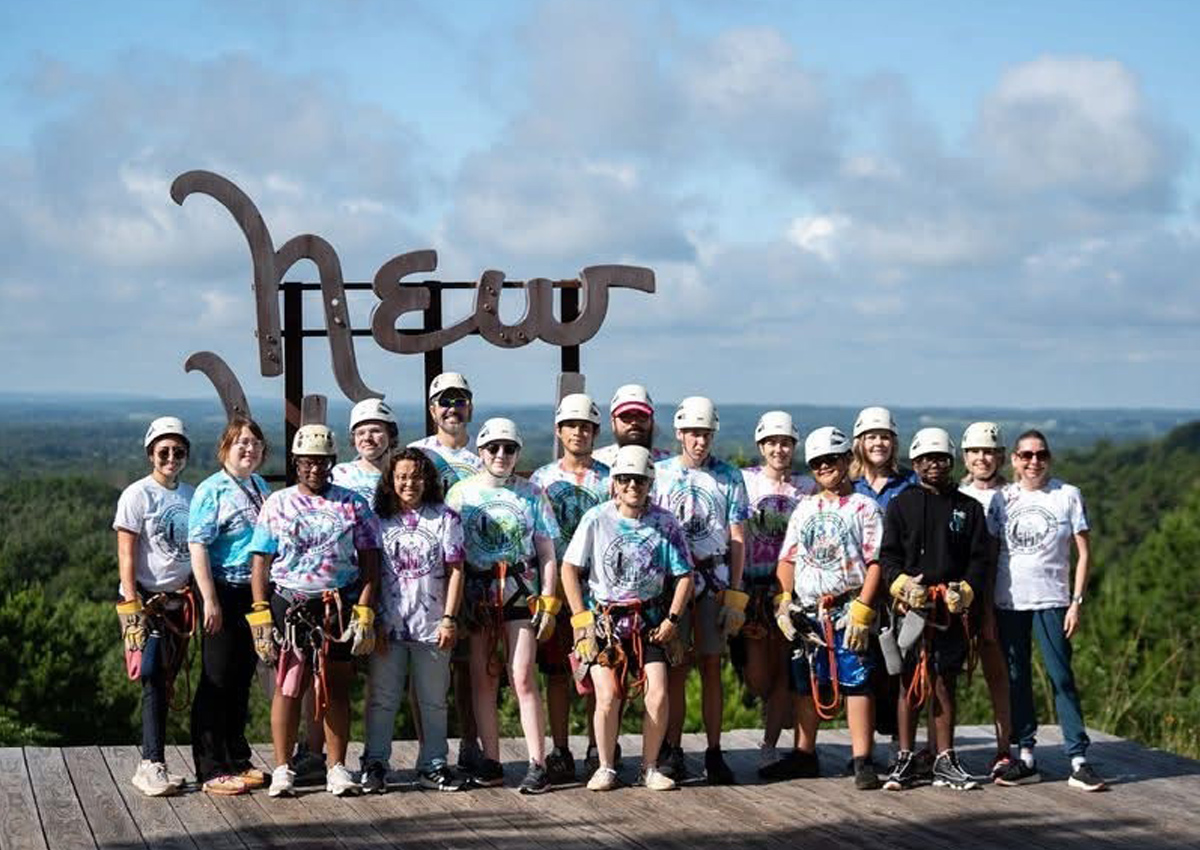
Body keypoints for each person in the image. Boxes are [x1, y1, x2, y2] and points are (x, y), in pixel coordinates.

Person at [247, 424, 381, 798]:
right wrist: (259, 611)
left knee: (335, 687)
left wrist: (364, 610)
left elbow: (371, 560)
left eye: (322, 462)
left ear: (333, 463)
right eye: (307, 462)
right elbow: (261, 560)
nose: (315, 469)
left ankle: (336, 767)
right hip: (290, 603)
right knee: (289, 687)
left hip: (336, 603)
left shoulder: (352, 503)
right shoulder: (278, 503)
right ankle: (282, 768)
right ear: (296, 463)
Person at [561, 445, 693, 792]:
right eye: (625, 479)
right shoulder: (596, 518)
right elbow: (569, 568)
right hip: (605, 621)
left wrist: (673, 619)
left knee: (659, 693)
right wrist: (580, 619)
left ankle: (649, 767)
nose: (632, 486)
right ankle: (605, 765)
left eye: (639, 480)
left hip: (648, 620)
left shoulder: (665, 523)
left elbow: (684, 575)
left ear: (649, 482)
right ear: (614, 483)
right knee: (607, 695)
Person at [444, 418, 560, 794]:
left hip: (519, 589)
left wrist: (549, 601)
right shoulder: (461, 494)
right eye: (493, 448)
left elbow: (546, 553)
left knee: (522, 676)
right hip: (478, 593)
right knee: (483, 677)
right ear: (480, 452)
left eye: (509, 449)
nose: (500, 455)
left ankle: (537, 762)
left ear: (517, 453)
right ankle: (491, 760)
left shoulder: (533, 494)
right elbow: (450, 553)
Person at [993, 430, 1106, 792]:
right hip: (1009, 601)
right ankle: (1026, 756)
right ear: (1014, 460)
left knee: (1061, 678)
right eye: (1025, 455)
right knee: (1017, 679)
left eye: (1040, 454)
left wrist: (1077, 602)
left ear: (1049, 458)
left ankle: (1078, 759)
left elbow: (1084, 553)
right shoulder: (1001, 499)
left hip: (1054, 600)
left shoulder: (1067, 495)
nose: (1033, 462)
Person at [773, 426, 884, 790]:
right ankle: (804, 753)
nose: (824, 468)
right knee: (805, 682)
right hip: (808, 610)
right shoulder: (805, 508)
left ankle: (861, 757)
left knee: (856, 681)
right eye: (818, 463)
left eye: (831, 461)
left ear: (847, 461)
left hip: (846, 606)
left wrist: (864, 606)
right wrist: (785, 600)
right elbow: (787, 559)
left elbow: (875, 562)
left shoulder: (865, 508)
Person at [879, 428, 989, 792]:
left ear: (951, 461)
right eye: (927, 459)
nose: (934, 465)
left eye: (941, 458)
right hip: (910, 607)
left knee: (943, 681)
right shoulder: (901, 504)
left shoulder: (968, 508)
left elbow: (979, 558)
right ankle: (906, 757)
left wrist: (967, 590)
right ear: (915, 464)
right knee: (909, 681)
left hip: (948, 608)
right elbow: (889, 556)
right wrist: (900, 584)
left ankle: (944, 758)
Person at [652, 396, 750, 784]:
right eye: (693, 433)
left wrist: (736, 593)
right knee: (675, 667)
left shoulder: (729, 477)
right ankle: (672, 748)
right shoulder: (659, 474)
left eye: (705, 434)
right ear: (680, 433)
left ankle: (713, 750)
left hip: (713, 580)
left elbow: (738, 536)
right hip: (672, 584)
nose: (699, 441)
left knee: (711, 666)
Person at [361, 449, 467, 793]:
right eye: (402, 476)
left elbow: (456, 571)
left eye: (417, 476)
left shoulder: (445, 518)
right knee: (382, 697)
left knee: (434, 699)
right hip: (387, 624)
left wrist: (450, 617)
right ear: (391, 481)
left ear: (428, 480)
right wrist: (372, 617)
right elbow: (370, 573)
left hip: (432, 624)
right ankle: (375, 762)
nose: (409, 483)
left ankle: (434, 763)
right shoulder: (377, 520)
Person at [187, 416, 272, 795]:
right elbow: (197, 545)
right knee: (216, 679)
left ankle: (237, 755)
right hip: (221, 589)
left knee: (241, 676)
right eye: (240, 442)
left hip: (252, 593)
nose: (248, 448)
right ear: (225, 448)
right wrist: (208, 599)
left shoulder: (260, 485)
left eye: (254, 442)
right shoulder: (212, 490)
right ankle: (210, 766)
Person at [529, 393, 611, 784]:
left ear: (596, 431)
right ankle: (560, 748)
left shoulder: (610, 477)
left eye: (585, 426)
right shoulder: (541, 479)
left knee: (600, 669)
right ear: (559, 431)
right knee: (556, 672)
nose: (578, 432)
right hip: (557, 589)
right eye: (571, 425)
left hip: (600, 587)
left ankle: (599, 746)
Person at [114, 416, 195, 797]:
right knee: (151, 679)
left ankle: (154, 760)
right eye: (164, 451)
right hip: (147, 603)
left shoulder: (192, 495)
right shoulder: (137, 495)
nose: (171, 457)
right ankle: (151, 763)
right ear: (151, 454)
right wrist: (132, 606)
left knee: (164, 681)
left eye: (178, 451)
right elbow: (126, 553)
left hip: (180, 602)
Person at [409, 371, 484, 771]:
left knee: (471, 668)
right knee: (425, 669)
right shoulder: (416, 454)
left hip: (473, 573)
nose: (452, 408)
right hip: (422, 576)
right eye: (444, 401)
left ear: (469, 406)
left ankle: (471, 743)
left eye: (459, 401)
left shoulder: (484, 457)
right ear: (431, 408)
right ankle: (428, 747)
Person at [739, 411, 815, 775]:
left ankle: (769, 743)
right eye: (772, 442)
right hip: (752, 587)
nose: (779, 449)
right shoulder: (745, 482)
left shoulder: (806, 486)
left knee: (786, 667)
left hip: (790, 588)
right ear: (761, 446)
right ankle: (773, 714)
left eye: (785, 442)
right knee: (758, 675)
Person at [957, 421, 1014, 780]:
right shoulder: (954, 494)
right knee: (941, 674)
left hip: (998, 596)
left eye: (990, 451)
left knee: (998, 675)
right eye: (976, 451)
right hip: (957, 596)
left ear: (1001, 456)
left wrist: (989, 608)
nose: (983, 457)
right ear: (965, 456)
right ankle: (937, 746)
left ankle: (1004, 747)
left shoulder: (1011, 496)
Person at [332, 398, 398, 504]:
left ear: (391, 434)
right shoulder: (340, 474)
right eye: (361, 433)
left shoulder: (402, 474)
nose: (367, 438)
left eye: (375, 431)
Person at [851, 406, 917, 510]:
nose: (878, 443)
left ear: (893, 444)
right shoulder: (849, 484)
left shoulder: (910, 481)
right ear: (860, 444)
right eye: (871, 437)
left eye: (885, 437)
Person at [593, 384, 672, 467]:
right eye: (625, 416)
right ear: (613, 422)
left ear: (652, 420)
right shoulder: (596, 463)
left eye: (642, 415)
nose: (634, 422)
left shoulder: (670, 465)